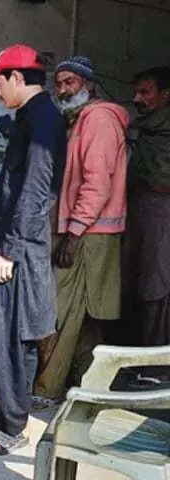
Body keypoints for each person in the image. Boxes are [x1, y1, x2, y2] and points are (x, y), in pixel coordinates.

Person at [0, 44, 66, 455]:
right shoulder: (31, 117)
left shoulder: (42, 121)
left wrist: (7, 250)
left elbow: (35, 192)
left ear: (18, 78)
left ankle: (12, 427)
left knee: (8, 334)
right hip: (11, 241)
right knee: (2, 331)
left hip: (17, 249)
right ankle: (7, 414)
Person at [32, 57, 129, 407]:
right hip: (83, 228)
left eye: (70, 82)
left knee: (63, 312)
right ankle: (86, 387)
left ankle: (49, 389)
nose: (62, 90)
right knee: (85, 317)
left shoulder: (99, 119)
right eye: (58, 83)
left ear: (88, 84)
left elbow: (97, 184)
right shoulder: (77, 119)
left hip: (87, 232)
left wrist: (73, 234)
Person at [124, 66, 170, 347]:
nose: (137, 99)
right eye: (136, 92)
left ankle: (157, 360)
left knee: (157, 286)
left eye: (145, 92)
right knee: (138, 283)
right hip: (140, 216)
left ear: (165, 95)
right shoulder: (145, 129)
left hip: (161, 219)